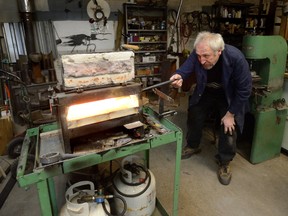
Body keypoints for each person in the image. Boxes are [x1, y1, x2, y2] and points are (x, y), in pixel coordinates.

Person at [170, 31, 252, 185]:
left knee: (229, 127)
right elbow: (185, 69)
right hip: (206, 90)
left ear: (219, 51)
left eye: (206, 56)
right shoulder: (199, 53)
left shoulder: (236, 58)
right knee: (194, 112)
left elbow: (244, 90)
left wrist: (230, 114)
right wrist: (178, 76)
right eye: (199, 56)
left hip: (228, 95)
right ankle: (193, 145)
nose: (201, 60)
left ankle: (225, 161)